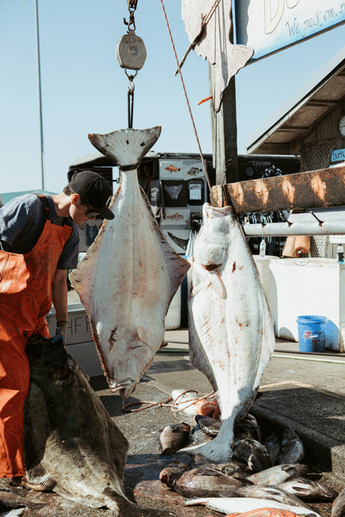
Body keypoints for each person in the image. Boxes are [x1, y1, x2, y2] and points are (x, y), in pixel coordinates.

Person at [0, 170, 114, 489]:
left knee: (54, 387)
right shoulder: (27, 209)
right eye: (91, 213)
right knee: (12, 390)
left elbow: (58, 281)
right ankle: (11, 474)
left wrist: (61, 322)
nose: (90, 220)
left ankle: (41, 456)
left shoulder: (70, 231)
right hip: (4, 317)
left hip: (35, 318)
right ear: (75, 199)